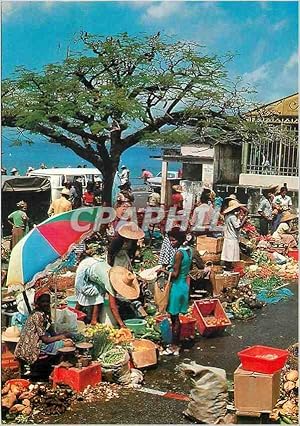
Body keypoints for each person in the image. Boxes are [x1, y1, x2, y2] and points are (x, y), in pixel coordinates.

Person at [15, 288, 74, 366]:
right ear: (38, 303)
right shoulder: (37, 315)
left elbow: (52, 333)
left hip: (38, 343)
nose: (45, 304)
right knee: (69, 344)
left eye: (47, 301)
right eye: (43, 301)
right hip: (33, 348)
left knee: (69, 338)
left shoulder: (44, 314)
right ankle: (57, 367)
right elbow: (45, 340)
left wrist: (63, 335)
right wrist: (62, 337)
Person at [75, 256, 140, 326]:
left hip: (96, 266)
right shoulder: (110, 282)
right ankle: (75, 315)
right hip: (85, 266)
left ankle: (93, 320)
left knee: (99, 293)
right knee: (83, 292)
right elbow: (113, 307)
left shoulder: (115, 275)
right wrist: (122, 324)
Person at [159, 228, 192, 355]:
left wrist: (162, 271)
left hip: (177, 286)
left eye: (173, 240)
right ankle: (176, 343)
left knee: (174, 318)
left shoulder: (178, 253)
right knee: (177, 317)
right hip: (184, 285)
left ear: (180, 240)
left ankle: (174, 346)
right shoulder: (189, 250)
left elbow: (175, 274)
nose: (171, 243)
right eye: (170, 240)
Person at [221, 200, 248, 271]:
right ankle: (228, 267)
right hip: (232, 238)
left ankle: (227, 266)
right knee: (230, 255)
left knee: (228, 255)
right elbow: (237, 227)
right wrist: (244, 220)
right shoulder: (232, 217)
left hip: (228, 237)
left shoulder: (227, 216)